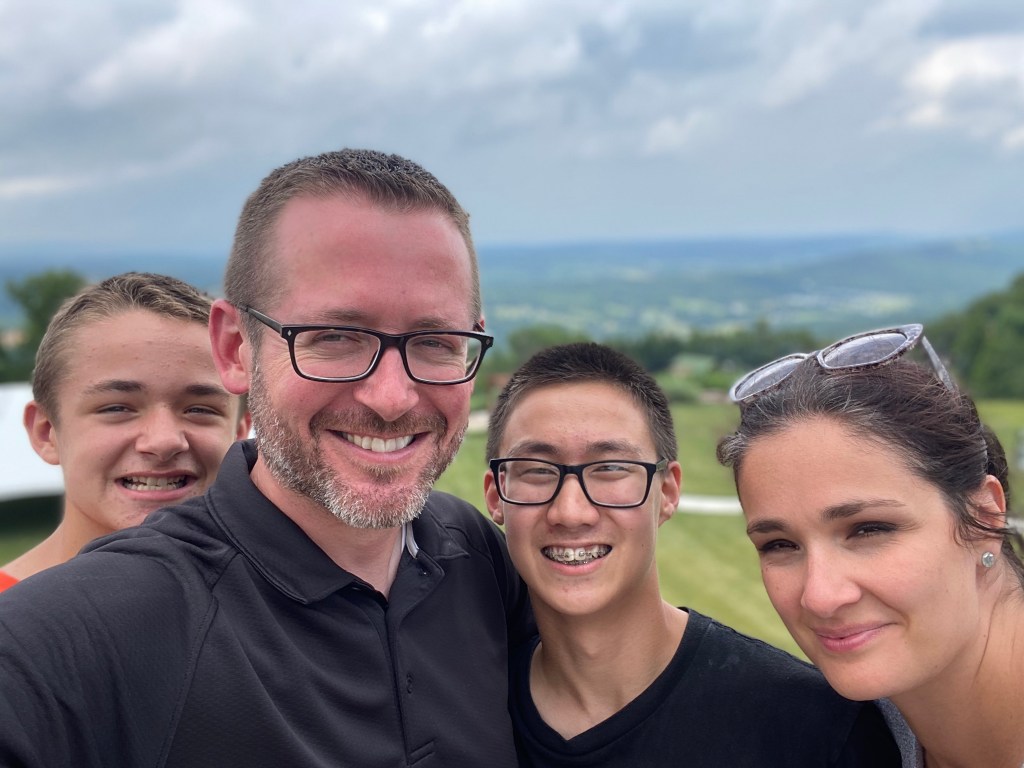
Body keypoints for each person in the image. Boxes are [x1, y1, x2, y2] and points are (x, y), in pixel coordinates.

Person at [0, 149, 530, 767]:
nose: (391, 397)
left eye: (436, 342)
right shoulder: (86, 630)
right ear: (235, 350)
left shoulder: (474, 552)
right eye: (334, 337)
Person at [484, 341, 900, 767]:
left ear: (667, 492)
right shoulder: (465, 712)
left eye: (610, 468)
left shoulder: (815, 730)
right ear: (496, 496)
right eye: (537, 471)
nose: (571, 512)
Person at [717, 323, 1024, 768]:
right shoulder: (837, 738)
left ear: (985, 516)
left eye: (868, 530)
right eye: (779, 544)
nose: (820, 597)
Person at [0, 272, 250, 590]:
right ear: (46, 432)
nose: (163, 441)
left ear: (240, 432)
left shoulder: (286, 607)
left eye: (199, 409)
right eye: (117, 408)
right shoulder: (10, 615)